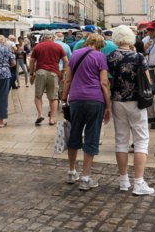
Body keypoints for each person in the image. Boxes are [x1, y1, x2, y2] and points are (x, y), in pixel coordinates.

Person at [106, 25, 155, 195]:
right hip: (136, 101)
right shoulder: (139, 56)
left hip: (118, 101)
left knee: (121, 140)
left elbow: (106, 80)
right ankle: (139, 182)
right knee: (141, 140)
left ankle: (123, 180)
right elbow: (147, 81)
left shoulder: (110, 56)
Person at [60, 33, 111, 191]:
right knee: (91, 135)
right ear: (100, 45)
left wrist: (63, 99)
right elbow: (104, 82)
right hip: (95, 99)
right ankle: (85, 178)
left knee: (74, 134)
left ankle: (71, 172)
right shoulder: (100, 56)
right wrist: (108, 105)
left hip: (75, 99)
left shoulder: (75, 54)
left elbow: (68, 79)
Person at [29, 31, 68, 126]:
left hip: (40, 72)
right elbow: (66, 60)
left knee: (38, 95)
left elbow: (32, 61)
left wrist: (31, 74)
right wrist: (63, 72)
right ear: (53, 38)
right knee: (54, 97)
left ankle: (40, 114)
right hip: (54, 73)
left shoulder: (37, 47)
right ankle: (51, 119)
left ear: (43, 38)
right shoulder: (58, 47)